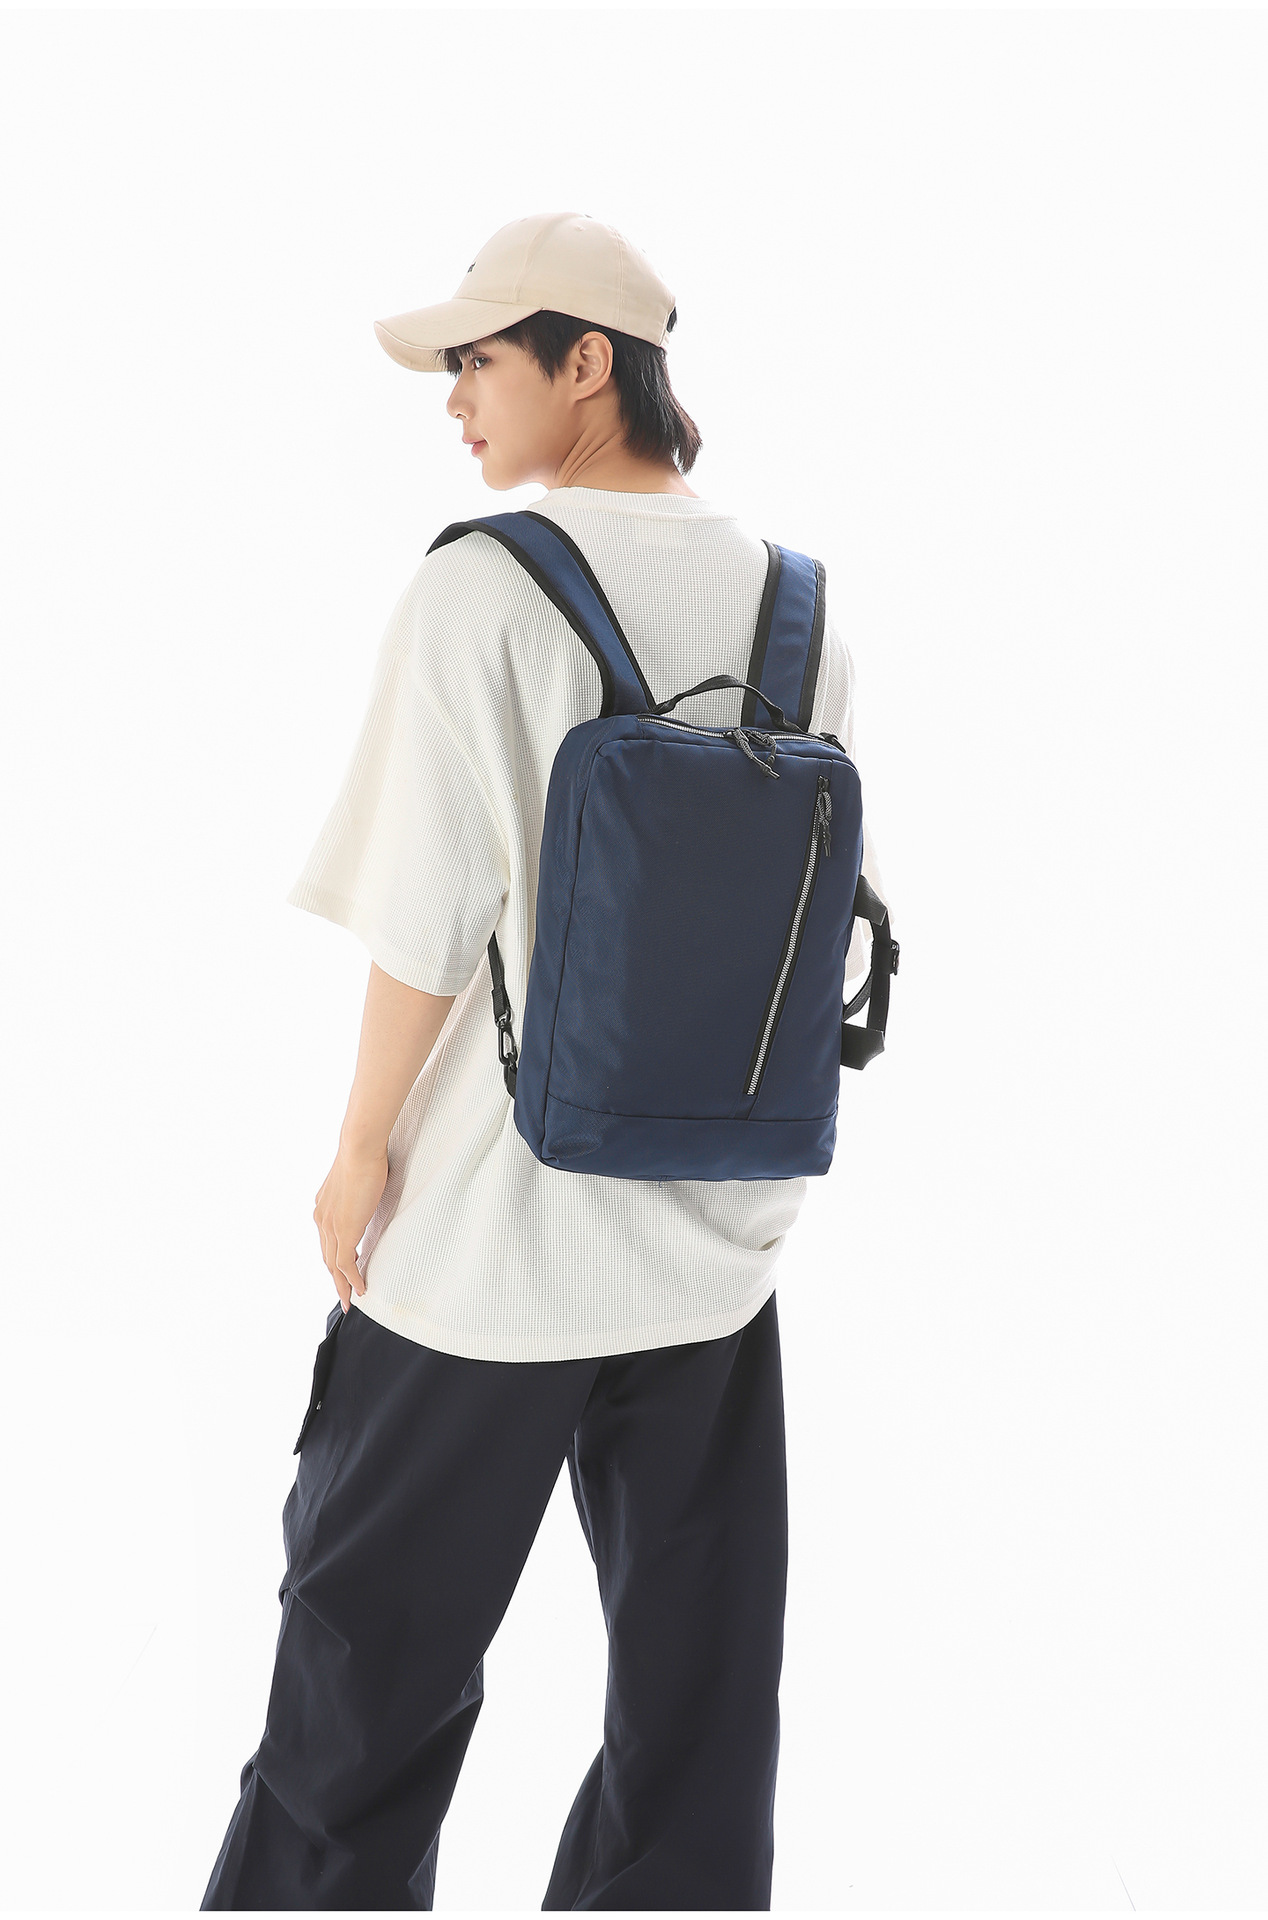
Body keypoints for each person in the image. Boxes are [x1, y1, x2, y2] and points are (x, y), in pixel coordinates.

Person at [200, 210, 888, 1912]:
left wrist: (360, 1149)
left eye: (479, 360)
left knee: (364, 1683)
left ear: (591, 363)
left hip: (491, 1249)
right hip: (714, 1238)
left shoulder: (483, 589)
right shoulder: (799, 602)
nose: (454, 400)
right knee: (696, 1718)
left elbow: (425, 919)